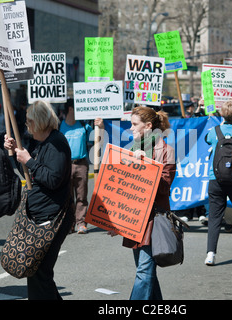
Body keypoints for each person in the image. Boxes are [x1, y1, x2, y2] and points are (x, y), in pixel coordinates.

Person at [103, 106, 176, 300]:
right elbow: (122, 190)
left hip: (153, 219)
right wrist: (115, 221)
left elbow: (164, 187)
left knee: (144, 272)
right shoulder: (131, 150)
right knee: (146, 272)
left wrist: (145, 165)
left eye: (135, 124)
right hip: (134, 219)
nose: (131, 128)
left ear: (149, 126)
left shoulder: (166, 151)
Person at [4, 100, 73, 300]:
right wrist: (16, 152)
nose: (27, 126)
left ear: (38, 122)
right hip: (41, 215)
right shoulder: (44, 143)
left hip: (52, 217)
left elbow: (52, 179)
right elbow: (29, 175)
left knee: (40, 272)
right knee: (35, 271)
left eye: (28, 122)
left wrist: (30, 161)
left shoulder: (56, 143)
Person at [204, 100, 232, 266]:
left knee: (215, 217)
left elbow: (207, 141)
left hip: (215, 179)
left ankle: (211, 253)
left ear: (221, 114)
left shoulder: (213, 131)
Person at [59, 99, 93, 234]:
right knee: (67, 197)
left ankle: (81, 223)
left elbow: (97, 137)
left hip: (81, 164)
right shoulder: (59, 126)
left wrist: (100, 126)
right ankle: (70, 224)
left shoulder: (84, 125)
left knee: (81, 195)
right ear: (71, 109)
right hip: (66, 165)